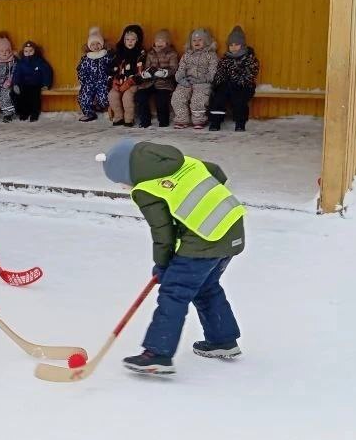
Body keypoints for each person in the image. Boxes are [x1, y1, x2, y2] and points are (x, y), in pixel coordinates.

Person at [99, 138, 246, 375]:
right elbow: (218, 173)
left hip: (204, 237)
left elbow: (163, 231)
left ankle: (157, 354)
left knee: (174, 292)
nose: (125, 188)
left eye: (121, 183)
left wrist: (163, 264)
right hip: (232, 227)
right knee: (206, 286)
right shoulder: (185, 162)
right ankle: (222, 341)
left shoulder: (146, 189)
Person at [210, 25, 261, 131]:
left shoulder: (249, 58)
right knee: (219, 98)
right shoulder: (225, 58)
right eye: (231, 45)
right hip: (227, 85)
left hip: (244, 86)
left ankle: (240, 123)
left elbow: (250, 74)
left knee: (239, 100)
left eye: (236, 44)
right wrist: (218, 83)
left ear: (242, 45)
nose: (233, 47)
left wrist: (236, 79)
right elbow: (220, 72)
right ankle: (215, 122)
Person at [173, 28, 218, 130]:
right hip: (187, 82)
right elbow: (180, 70)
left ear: (206, 41)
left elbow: (213, 72)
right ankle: (181, 119)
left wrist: (201, 80)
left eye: (200, 40)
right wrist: (181, 80)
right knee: (178, 96)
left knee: (198, 98)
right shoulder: (187, 55)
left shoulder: (210, 55)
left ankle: (199, 120)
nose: (196, 42)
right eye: (194, 40)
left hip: (203, 83)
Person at [136, 29, 178, 128]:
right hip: (150, 82)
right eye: (157, 41)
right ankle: (145, 121)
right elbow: (146, 67)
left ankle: (163, 121)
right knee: (141, 95)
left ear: (167, 42)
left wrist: (164, 73)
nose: (159, 43)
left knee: (161, 98)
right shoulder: (150, 53)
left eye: (162, 41)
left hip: (165, 82)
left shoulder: (172, 54)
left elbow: (174, 69)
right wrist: (146, 73)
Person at [108, 24, 146, 127]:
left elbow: (141, 72)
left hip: (133, 83)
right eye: (127, 39)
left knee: (127, 97)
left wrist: (130, 82)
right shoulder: (118, 52)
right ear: (123, 40)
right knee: (112, 95)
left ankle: (129, 119)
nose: (130, 42)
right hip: (120, 82)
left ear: (137, 40)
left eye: (133, 39)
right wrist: (114, 81)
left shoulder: (140, 53)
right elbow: (113, 69)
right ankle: (119, 116)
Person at [76, 26, 112, 122]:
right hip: (89, 82)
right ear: (89, 46)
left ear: (102, 44)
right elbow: (81, 70)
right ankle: (89, 113)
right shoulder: (86, 58)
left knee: (104, 97)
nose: (96, 46)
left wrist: (109, 78)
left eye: (98, 44)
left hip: (102, 81)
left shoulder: (106, 56)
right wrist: (83, 81)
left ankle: (100, 106)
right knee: (84, 96)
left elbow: (112, 67)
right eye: (93, 44)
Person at [12, 40, 53, 122]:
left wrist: (46, 84)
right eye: (26, 51)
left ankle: (34, 113)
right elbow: (16, 74)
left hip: (36, 84)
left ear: (35, 51)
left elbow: (47, 73)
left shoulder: (39, 62)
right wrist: (15, 84)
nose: (28, 53)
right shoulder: (21, 63)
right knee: (21, 96)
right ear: (23, 52)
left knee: (35, 97)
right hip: (24, 84)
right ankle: (24, 113)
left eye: (31, 51)